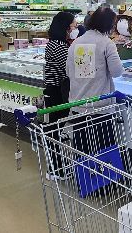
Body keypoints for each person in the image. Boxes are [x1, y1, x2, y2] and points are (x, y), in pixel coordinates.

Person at [66, 7, 124, 154]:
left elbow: (68, 71)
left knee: (82, 152)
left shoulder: (75, 43)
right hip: (100, 108)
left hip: (78, 106)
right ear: (109, 25)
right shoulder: (106, 43)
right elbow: (117, 72)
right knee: (104, 153)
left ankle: (83, 176)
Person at [43, 11, 77, 179]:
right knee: (54, 130)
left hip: (53, 90)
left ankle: (55, 167)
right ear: (65, 27)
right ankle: (55, 170)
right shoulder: (60, 46)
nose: (75, 28)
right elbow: (71, 69)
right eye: (73, 26)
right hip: (57, 91)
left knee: (54, 128)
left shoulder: (54, 43)